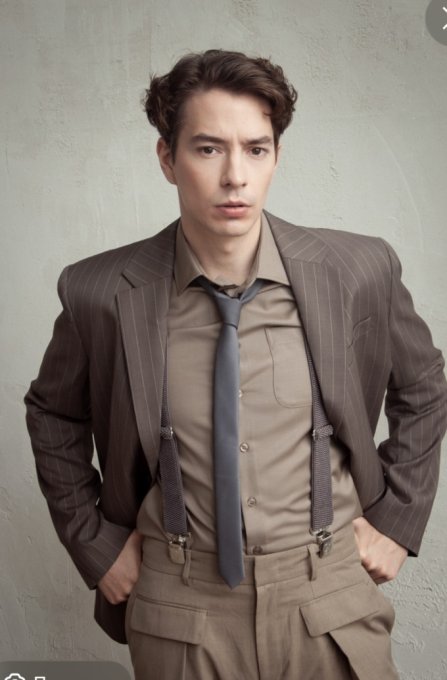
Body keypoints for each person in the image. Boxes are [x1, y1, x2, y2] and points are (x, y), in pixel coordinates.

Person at [25, 49, 447, 679]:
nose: (235, 177)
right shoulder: (100, 291)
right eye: (208, 149)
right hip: (179, 605)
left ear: (277, 156)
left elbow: (425, 387)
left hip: (328, 592)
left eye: (255, 149)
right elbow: (52, 414)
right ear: (167, 158)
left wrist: (396, 521)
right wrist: (95, 544)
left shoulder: (358, 271)